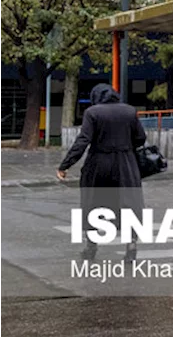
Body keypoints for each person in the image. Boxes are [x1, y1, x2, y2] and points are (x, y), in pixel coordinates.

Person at [56, 84, 146, 262]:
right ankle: (131, 245)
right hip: (126, 163)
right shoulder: (129, 111)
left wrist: (65, 165)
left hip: (99, 163)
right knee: (129, 203)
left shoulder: (93, 113)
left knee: (93, 203)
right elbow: (140, 137)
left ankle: (91, 247)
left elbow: (83, 140)